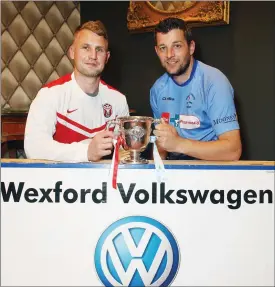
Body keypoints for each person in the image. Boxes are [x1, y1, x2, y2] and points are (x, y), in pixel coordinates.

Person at [24, 20, 129, 162]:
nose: (93, 56)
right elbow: (34, 148)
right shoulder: (50, 94)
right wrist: (86, 152)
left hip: (102, 183)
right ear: (72, 52)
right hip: (60, 182)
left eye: (99, 50)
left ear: (107, 57)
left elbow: (124, 154)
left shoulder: (118, 100)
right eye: (86, 47)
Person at [150, 17, 242, 161]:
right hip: (175, 170)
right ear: (157, 51)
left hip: (212, 168)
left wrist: (179, 144)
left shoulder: (214, 82)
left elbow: (233, 150)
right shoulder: (157, 89)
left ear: (191, 47)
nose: (169, 55)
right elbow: (161, 145)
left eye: (177, 46)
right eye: (163, 48)